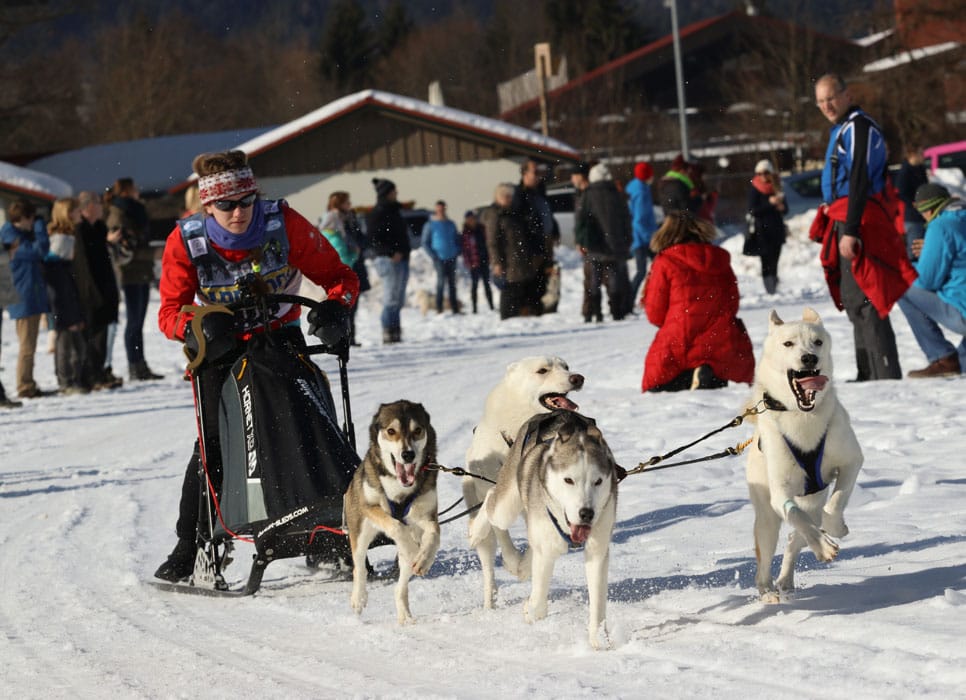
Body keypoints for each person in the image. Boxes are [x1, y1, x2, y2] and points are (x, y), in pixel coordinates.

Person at [153, 150, 359, 582]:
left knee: (307, 425)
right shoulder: (186, 239)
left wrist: (337, 309)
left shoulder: (282, 223)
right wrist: (194, 329)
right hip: (219, 348)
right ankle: (191, 543)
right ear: (208, 206)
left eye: (245, 200)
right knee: (216, 443)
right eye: (225, 205)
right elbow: (169, 311)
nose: (238, 212)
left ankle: (325, 531)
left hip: (279, 338)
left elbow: (341, 277)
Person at [810, 73, 917, 382]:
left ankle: (883, 373)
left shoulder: (858, 126)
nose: (826, 105)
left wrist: (852, 229)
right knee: (853, 298)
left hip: (859, 218)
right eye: (820, 101)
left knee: (866, 296)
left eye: (831, 97)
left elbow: (859, 177)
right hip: (844, 215)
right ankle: (867, 371)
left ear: (846, 94)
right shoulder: (842, 128)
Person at [640, 211, 755, 392]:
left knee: (659, 382)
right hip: (720, 339)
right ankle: (706, 372)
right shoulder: (720, 260)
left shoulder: (665, 261)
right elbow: (732, 304)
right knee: (717, 364)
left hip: (680, 336)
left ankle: (692, 375)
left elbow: (655, 313)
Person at [896, 184, 966, 377]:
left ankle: (942, 357)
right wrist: (932, 249)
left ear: (928, 208)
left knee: (901, 286)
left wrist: (924, 258)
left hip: (963, 312)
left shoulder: (940, 226)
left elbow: (928, 281)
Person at [106, 177, 163, 381]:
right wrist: (152, 253)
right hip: (130, 271)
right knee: (133, 321)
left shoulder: (137, 210)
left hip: (142, 270)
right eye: (134, 188)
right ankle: (134, 364)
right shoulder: (119, 213)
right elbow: (123, 248)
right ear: (126, 191)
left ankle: (141, 364)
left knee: (138, 321)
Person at [1, 198, 53, 398]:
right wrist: (41, 227)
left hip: (29, 295)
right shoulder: (11, 237)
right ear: (22, 218)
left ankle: (28, 382)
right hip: (23, 297)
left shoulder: (19, 235)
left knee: (29, 344)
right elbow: (40, 250)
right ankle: (24, 385)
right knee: (27, 345)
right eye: (31, 219)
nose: (33, 223)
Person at [73, 191, 123, 390]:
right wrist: (92, 292)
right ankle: (90, 375)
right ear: (88, 207)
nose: (102, 207)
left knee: (102, 334)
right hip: (89, 290)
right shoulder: (80, 230)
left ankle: (100, 372)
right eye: (98, 204)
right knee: (90, 336)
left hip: (105, 286)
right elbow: (84, 264)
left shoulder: (100, 227)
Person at [575, 162, 633, 322]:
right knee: (614, 278)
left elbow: (581, 219)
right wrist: (627, 238)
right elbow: (626, 218)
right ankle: (616, 310)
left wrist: (581, 240)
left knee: (594, 279)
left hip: (594, 242)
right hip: (615, 243)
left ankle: (597, 312)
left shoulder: (588, 194)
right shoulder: (616, 193)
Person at [43, 198, 89, 394]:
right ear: (67, 213)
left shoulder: (69, 236)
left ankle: (74, 378)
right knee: (66, 342)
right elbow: (55, 275)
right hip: (60, 299)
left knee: (73, 341)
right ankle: (66, 380)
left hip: (67, 295)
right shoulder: (61, 239)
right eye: (77, 210)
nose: (80, 213)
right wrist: (65, 309)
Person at [483, 183, 538, 319]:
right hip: (507, 261)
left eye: (510, 197)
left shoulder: (512, 213)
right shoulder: (494, 214)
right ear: (498, 197)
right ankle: (507, 318)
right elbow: (492, 242)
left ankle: (518, 316)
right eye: (506, 197)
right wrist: (496, 262)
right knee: (509, 291)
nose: (509, 199)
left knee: (520, 289)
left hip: (519, 259)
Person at [366, 178, 410, 343]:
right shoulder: (378, 213)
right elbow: (373, 239)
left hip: (402, 259)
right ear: (385, 193)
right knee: (390, 298)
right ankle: (388, 331)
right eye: (393, 191)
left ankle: (396, 330)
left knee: (398, 299)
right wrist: (390, 252)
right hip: (388, 260)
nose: (396, 194)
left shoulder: (395, 211)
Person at [511, 159, 557, 314]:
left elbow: (548, 214)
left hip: (545, 241)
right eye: (535, 172)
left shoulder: (541, 191)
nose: (538, 176)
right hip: (531, 244)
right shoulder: (520, 194)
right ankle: (528, 309)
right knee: (531, 279)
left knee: (544, 277)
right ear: (525, 174)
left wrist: (554, 231)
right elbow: (517, 221)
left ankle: (540, 307)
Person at [322, 191, 367, 344]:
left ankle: (350, 335)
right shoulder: (334, 221)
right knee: (344, 304)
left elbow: (359, 239)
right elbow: (340, 251)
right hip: (345, 269)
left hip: (353, 267)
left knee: (351, 304)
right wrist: (354, 253)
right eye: (347, 202)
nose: (350, 205)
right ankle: (344, 337)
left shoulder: (349, 218)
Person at [746, 159, 788, 295]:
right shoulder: (755, 189)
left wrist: (781, 207)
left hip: (777, 229)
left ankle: (774, 287)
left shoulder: (777, 186)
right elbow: (752, 210)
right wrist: (770, 203)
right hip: (762, 231)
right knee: (766, 260)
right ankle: (769, 289)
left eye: (765, 173)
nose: (762, 176)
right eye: (759, 173)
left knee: (775, 259)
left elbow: (786, 209)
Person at [421, 200, 462, 314]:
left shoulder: (451, 224)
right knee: (440, 283)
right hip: (439, 258)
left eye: (442, 209)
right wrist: (433, 255)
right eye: (438, 209)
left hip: (452, 257)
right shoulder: (430, 225)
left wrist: (458, 250)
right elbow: (425, 242)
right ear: (436, 210)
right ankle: (439, 308)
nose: (441, 211)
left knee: (452, 284)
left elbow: (457, 238)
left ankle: (454, 308)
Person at [626, 161, 657, 298]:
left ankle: (632, 299)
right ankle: (630, 299)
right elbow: (640, 218)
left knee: (644, 270)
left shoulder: (633, 187)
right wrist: (650, 238)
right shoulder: (642, 192)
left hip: (638, 237)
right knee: (647, 270)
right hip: (643, 239)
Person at [894, 144, 930, 261]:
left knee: (924, 248)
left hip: (924, 213)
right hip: (912, 217)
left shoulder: (920, 169)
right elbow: (901, 192)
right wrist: (913, 203)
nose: (923, 156)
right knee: (914, 249)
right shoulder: (905, 171)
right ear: (912, 154)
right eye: (920, 153)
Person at [461, 209, 494, 313]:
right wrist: (468, 263)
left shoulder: (482, 229)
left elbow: (488, 243)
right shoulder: (465, 233)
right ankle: (474, 308)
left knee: (487, 284)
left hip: (484, 260)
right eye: (469, 219)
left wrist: (490, 257)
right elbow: (465, 250)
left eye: (473, 218)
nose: (472, 221)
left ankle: (491, 306)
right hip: (473, 263)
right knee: (474, 286)